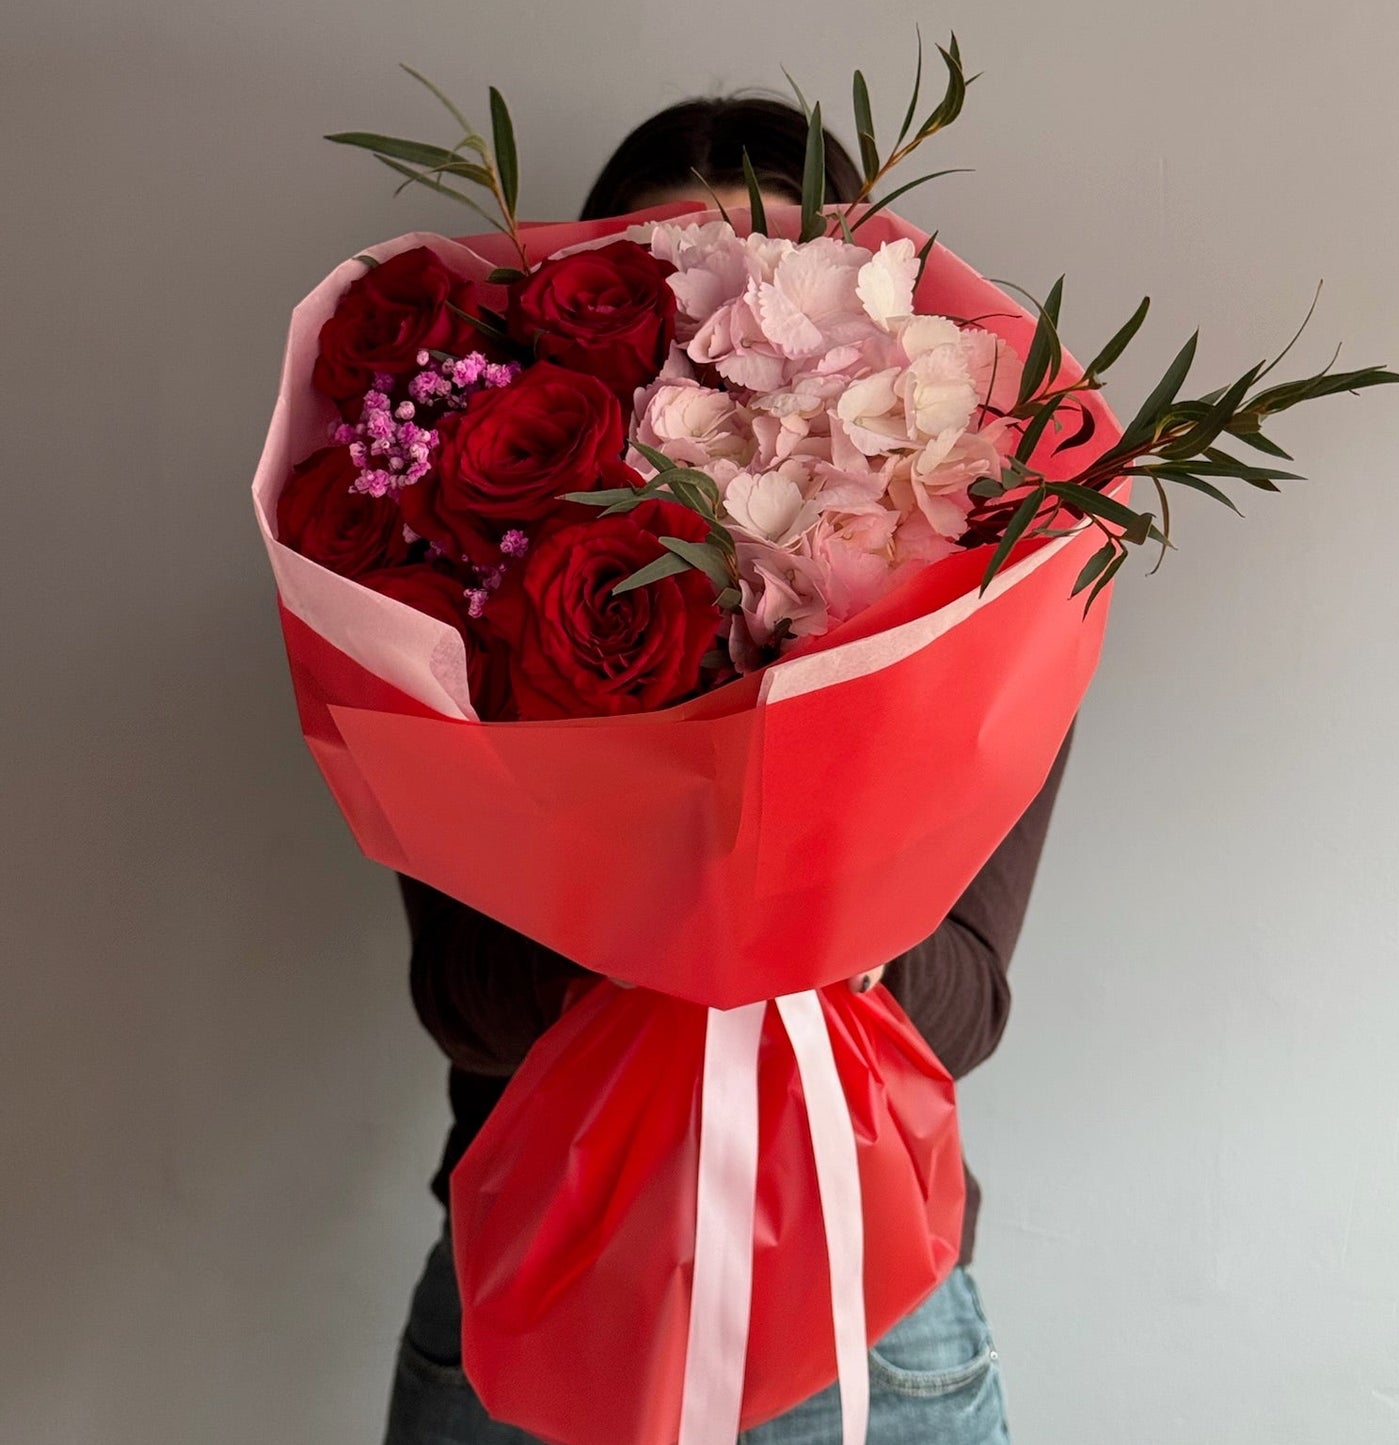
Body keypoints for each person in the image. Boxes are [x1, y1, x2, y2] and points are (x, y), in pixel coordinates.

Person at [381, 95, 1075, 1445]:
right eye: (676, 304)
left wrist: (808, 911)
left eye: (774, 302)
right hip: (535, 1296)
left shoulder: (975, 593)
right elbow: (473, 1008)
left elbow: (960, 1011)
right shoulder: (461, 596)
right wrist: (654, 878)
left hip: (867, 1310)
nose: (730, 350)